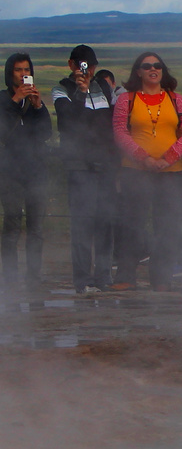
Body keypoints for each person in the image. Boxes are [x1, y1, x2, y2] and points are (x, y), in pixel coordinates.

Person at [110, 51, 182, 291]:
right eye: (146, 66)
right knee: (131, 224)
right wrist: (143, 158)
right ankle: (126, 276)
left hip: (171, 172)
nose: (152, 69)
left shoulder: (177, 100)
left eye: (157, 65)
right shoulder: (127, 100)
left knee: (166, 226)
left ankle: (162, 279)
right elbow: (119, 131)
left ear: (163, 70)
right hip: (135, 171)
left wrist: (168, 158)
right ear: (138, 72)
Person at [52, 45, 120, 293]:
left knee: (105, 222)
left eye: (91, 66)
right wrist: (80, 93)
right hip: (79, 165)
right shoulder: (62, 89)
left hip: (105, 165)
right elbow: (67, 122)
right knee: (82, 224)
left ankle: (104, 276)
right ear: (72, 65)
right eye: (82, 65)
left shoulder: (103, 87)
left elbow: (115, 121)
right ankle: (82, 279)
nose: (87, 70)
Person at [0, 52, 51, 291]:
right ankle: (9, 278)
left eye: (27, 70)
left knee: (36, 229)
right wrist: (14, 102)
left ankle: (34, 277)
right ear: (10, 74)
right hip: (10, 172)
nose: (23, 74)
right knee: (11, 225)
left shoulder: (34, 102)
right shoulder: (2, 99)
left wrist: (39, 107)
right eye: (18, 70)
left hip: (35, 171)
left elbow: (45, 134)